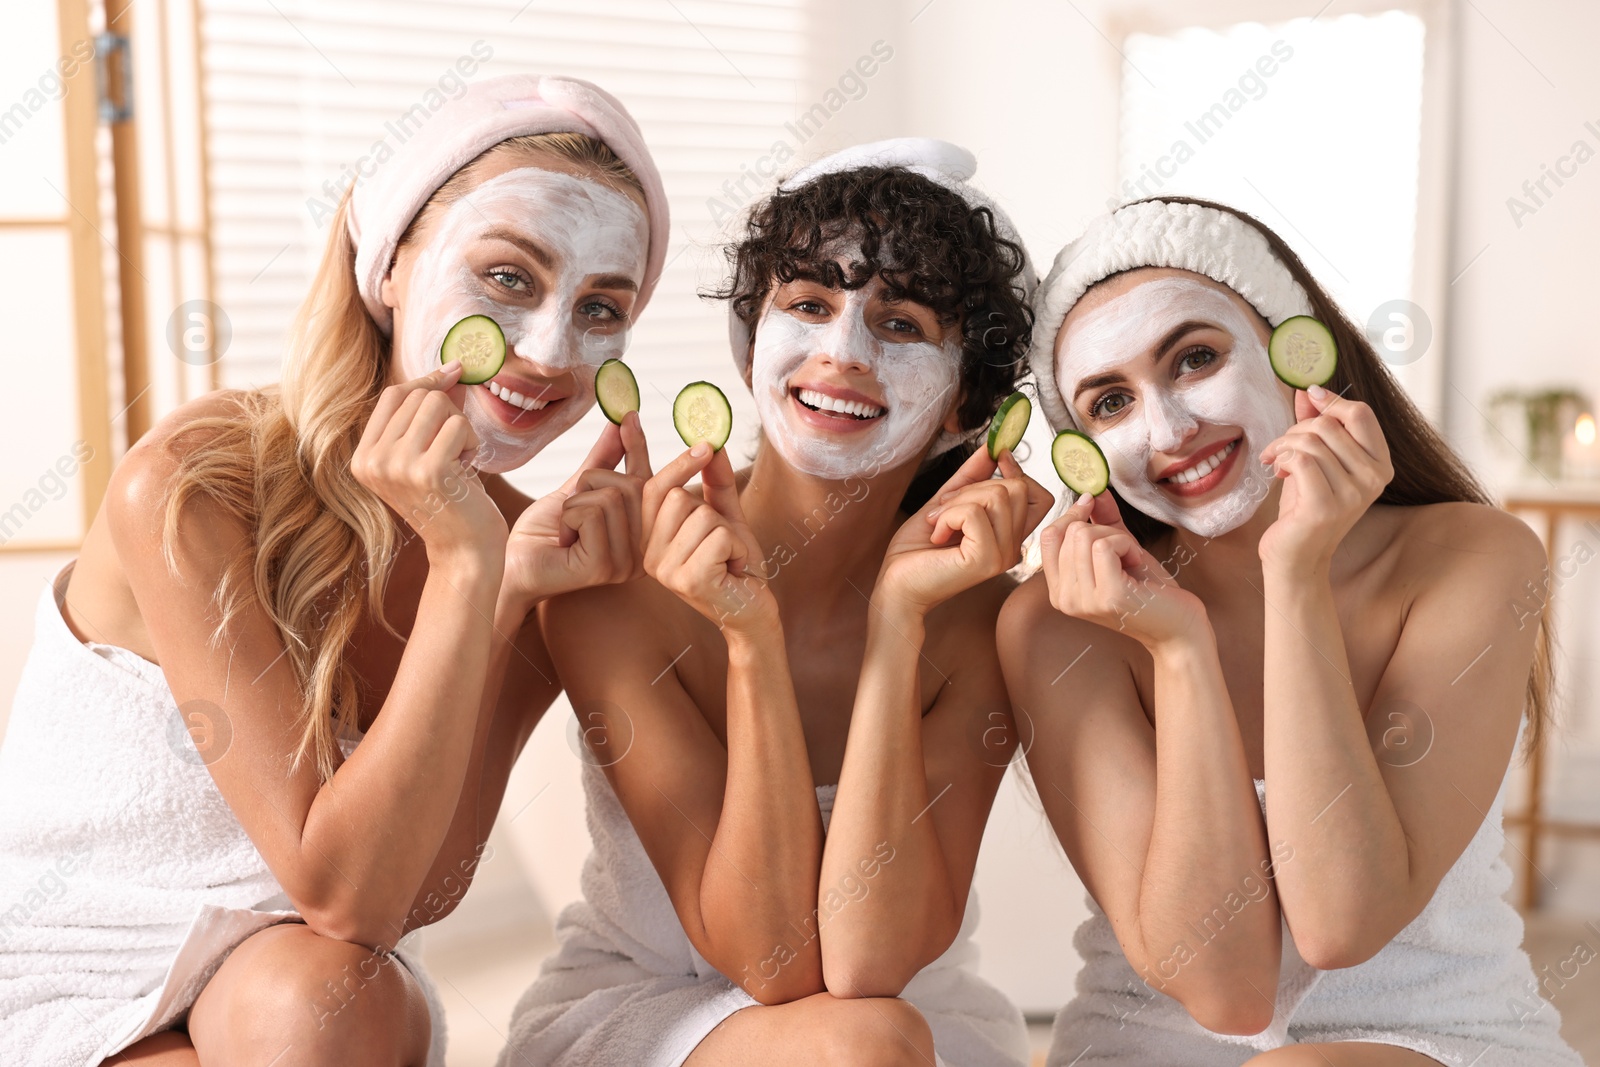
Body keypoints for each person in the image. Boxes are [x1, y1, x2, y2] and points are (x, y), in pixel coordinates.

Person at [0, 73, 669, 1067]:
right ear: (393, 264)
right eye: (509, 278)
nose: (546, 350)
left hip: (300, 987)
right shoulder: (196, 483)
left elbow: (401, 900)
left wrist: (493, 585)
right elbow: (339, 890)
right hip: (73, 962)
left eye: (601, 306)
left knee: (328, 994)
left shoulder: (522, 554)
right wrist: (464, 568)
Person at [499, 139, 1049, 1067]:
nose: (841, 351)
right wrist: (749, 638)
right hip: (646, 1018)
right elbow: (772, 958)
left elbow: (871, 958)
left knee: (871, 1036)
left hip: (908, 1021)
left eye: (902, 324)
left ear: (966, 407)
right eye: (809, 303)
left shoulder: (983, 620)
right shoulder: (619, 579)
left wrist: (899, 624)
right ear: (755, 342)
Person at [1000, 196, 1584, 1066]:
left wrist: (1295, 575)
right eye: (1111, 402)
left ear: (1296, 352)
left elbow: (1339, 922)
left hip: (1428, 1031)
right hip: (1151, 1042)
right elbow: (1227, 988)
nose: (1169, 430)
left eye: (1195, 357)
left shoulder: (1475, 556)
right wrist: (1178, 647)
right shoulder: (1059, 621)